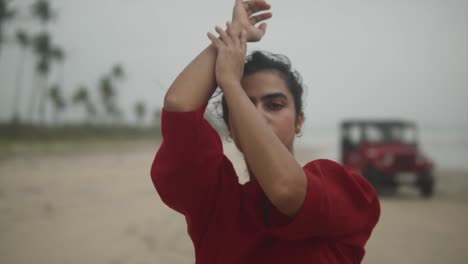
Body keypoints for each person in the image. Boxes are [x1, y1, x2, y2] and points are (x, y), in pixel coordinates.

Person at [150, 0, 380, 263]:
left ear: (299, 121)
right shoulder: (217, 204)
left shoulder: (344, 191)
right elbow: (180, 106)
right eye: (246, 106)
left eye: (274, 105)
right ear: (232, 126)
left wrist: (232, 86)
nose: (258, 115)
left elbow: (286, 190)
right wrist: (237, 32)